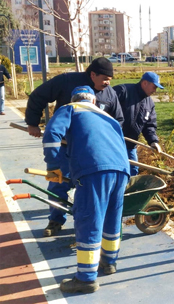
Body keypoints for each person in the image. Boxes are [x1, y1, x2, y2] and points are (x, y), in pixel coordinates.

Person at [42, 85, 129, 293]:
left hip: (94, 171)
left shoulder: (70, 108)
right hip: (121, 169)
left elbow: (52, 135)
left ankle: (86, 278)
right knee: (112, 217)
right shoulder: (107, 117)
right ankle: (108, 262)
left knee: (89, 219)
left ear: (74, 99)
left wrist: (53, 167)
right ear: (93, 101)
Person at [25, 57, 124, 237]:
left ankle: (91, 223)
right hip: (63, 147)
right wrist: (32, 123)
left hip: (91, 153)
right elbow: (39, 95)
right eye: (105, 78)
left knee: (89, 188)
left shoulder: (109, 94)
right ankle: (55, 219)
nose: (108, 83)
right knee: (57, 183)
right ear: (92, 74)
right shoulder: (67, 81)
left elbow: (118, 120)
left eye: (110, 79)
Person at [114, 72, 163, 176]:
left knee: (133, 171)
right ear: (145, 83)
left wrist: (153, 141)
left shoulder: (149, 103)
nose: (155, 91)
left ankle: (128, 192)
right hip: (113, 143)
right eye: (154, 87)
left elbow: (149, 125)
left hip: (130, 145)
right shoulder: (122, 91)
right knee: (114, 171)